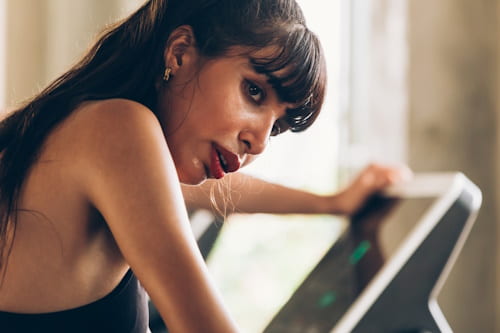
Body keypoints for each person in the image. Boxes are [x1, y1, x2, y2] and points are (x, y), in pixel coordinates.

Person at [0, 0, 410, 332]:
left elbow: (214, 194)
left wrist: (332, 203)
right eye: (253, 91)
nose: (261, 141)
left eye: (279, 125)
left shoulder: (53, 128)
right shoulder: (120, 128)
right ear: (180, 53)